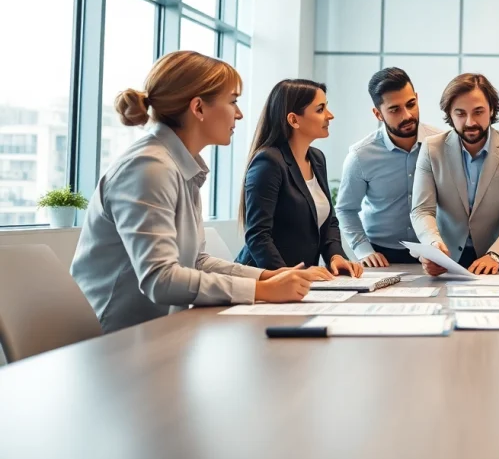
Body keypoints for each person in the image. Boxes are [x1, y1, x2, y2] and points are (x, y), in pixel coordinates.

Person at [70, 51, 328, 334]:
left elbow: (195, 261)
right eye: (233, 102)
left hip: (160, 332)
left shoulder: (179, 164)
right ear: (198, 108)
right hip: (118, 341)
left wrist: (269, 276)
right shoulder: (149, 168)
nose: (239, 114)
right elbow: (160, 279)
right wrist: (260, 289)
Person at [236, 79, 363, 279]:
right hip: (267, 279)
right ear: (294, 120)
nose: (330, 115)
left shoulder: (317, 158)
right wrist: (290, 276)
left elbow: (328, 222)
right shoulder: (268, 162)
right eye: (320, 109)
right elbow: (258, 236)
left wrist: (335, 256)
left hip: (302, 283)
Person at [411, 73, 499, 275]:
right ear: (449, 114)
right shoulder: (432, 149)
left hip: (492, 259)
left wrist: (496, 255)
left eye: (478, 112)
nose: (470, 122)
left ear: (491, 110)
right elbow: (422, 210)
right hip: (445, 258)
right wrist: (433, 246)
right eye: (460, 113)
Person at [334, 68, 443, 268]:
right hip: (382, 256)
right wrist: (363, 249)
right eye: (395, 109)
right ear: (378, 113)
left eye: (411, 104)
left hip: (435, 252)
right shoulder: (360, 156)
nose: (407, 115)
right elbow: (346, 209)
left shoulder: (442, 144)